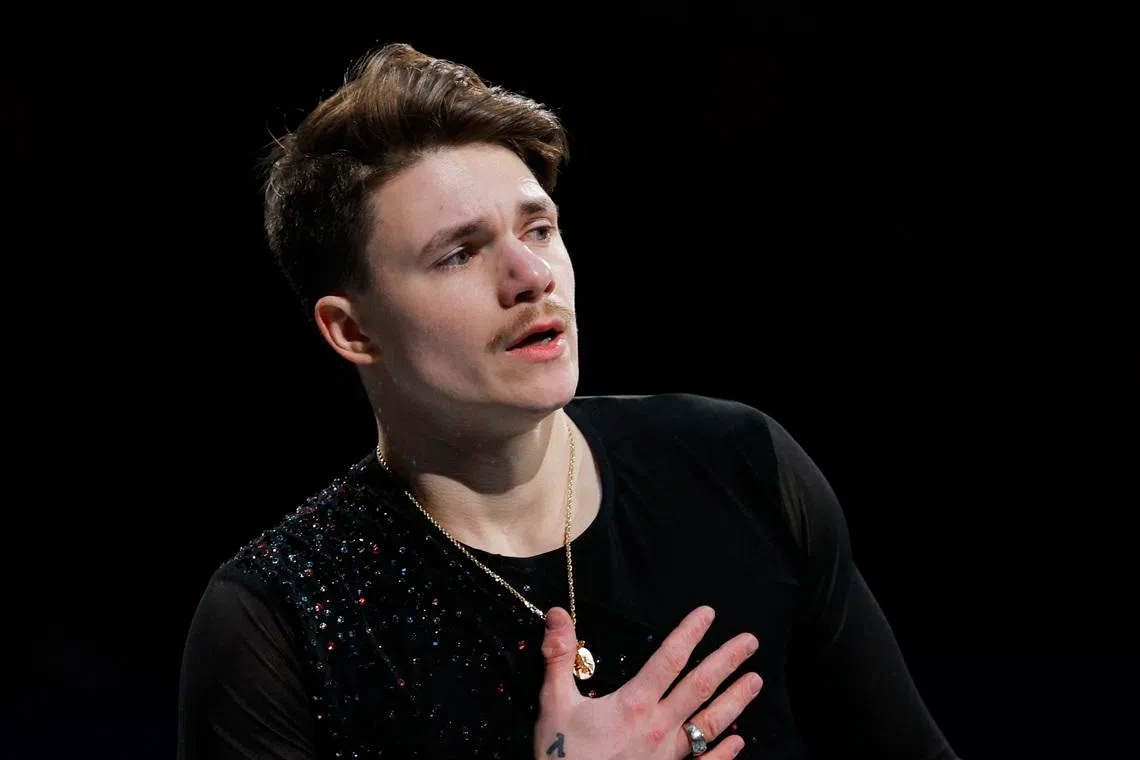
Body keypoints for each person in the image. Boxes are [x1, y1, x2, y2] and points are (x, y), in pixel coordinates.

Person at [177, 42, 960, 760]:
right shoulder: (278, 619)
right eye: (458, 254)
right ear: (353, 331)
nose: (531, 276)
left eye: (540, 229)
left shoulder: (741, 466)